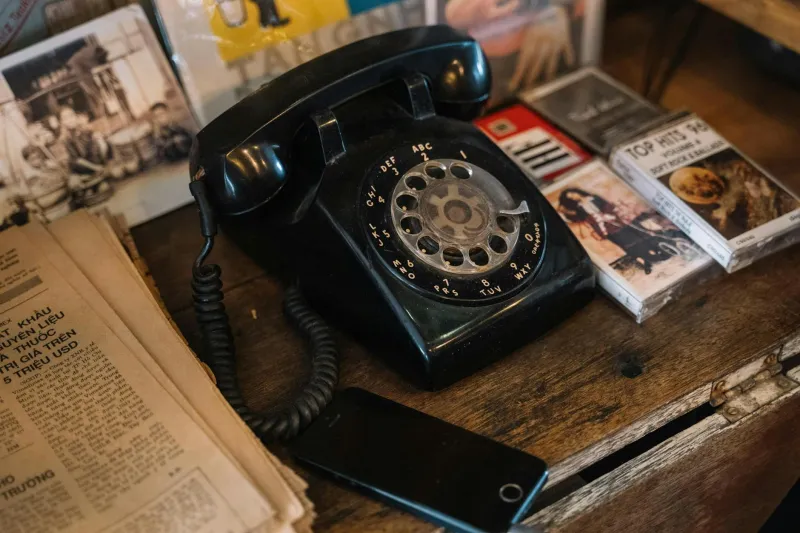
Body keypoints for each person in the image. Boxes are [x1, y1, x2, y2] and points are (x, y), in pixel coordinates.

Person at [558, 187, 656, 274]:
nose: (573, 197)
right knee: (625, 246)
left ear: (577, 192)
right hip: (605, 230)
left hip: (615, 222)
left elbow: (609, 206)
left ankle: (649, 257)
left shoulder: (594, 198)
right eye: (570, 197)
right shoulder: (579, 208)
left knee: (634, 240)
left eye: (573, 194)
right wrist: (564, 214)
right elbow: (578, 219)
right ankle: (644, 262)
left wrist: (605, 215)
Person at [59, 106, 112, 174]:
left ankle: (105, 164)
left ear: (75, 117)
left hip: (96, 158)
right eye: (65, 118)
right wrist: (95, 167)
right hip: (84, 165)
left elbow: (97, 142)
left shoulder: (85, 129)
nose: (70, 120)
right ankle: (96, 170)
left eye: (71, 116)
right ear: (62, 122)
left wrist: (99, 136)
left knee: (103, 142)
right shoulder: (66, 139)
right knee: (73, 162)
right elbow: (77, 159)